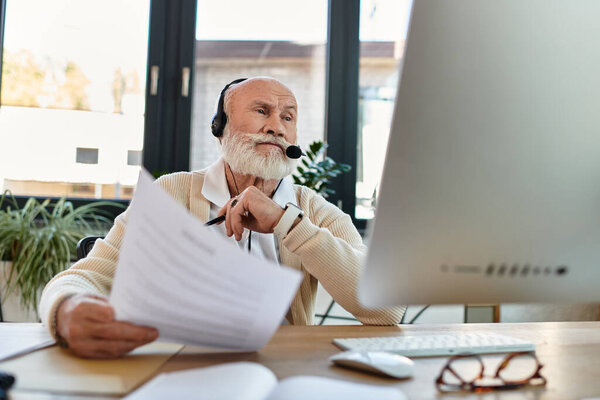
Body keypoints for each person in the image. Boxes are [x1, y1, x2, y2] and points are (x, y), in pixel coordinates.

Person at [39, 77, 405, 358]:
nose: (276, 126)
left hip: (281, 365)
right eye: (261, 111)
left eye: (288, 117)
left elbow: (388, 308)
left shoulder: (313, 211)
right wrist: (66, 310)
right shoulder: (171, 192)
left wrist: (287, 223)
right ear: (221, 129)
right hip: (180, 362)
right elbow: (83, 277)